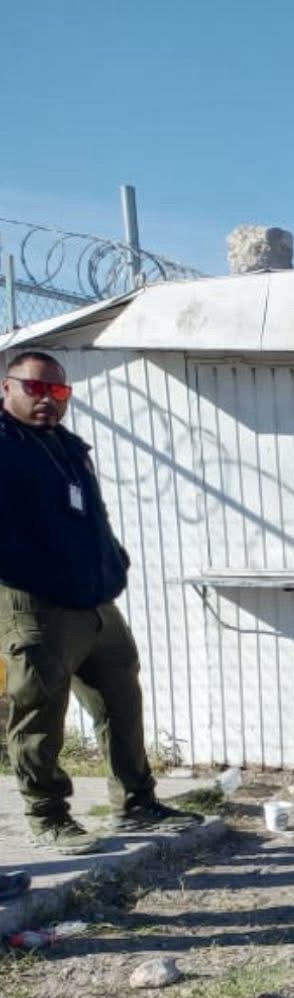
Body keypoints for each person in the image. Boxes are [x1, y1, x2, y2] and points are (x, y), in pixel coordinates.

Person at [0, 351, 201, 855]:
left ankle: (136, 802)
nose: (47, 400)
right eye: (35, 389)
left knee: (120, 697)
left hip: (93, 599)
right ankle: (47, 815)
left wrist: (114, 559)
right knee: (39, 709)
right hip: (37, 602)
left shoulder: (66, 447)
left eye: (59, 393)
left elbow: (89, 515)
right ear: (7, 388)